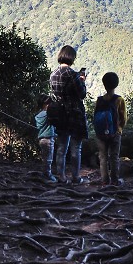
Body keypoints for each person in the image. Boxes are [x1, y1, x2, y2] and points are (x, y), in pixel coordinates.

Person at [50, 45, 88, 184]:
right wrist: (82, 81)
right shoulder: (73, 75)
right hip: (74, 113)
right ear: (72, 58)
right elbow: (82, 94)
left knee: (61, 147)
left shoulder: (53, 74)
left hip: (60, 113)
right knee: (76, 147)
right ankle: (76, 177)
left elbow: (55, 94)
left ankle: (61, 177)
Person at [94, 72, 127, 186]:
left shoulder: (99, 100)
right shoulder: (119, 100)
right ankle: (114, 181)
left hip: (100, 134)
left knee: (103, 158)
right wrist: (119, 129)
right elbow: (124, 118)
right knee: (114, 157)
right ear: (116, 84)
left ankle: (104, 180)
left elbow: (95, 116)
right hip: (114, 133)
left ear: (104, 84)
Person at [34, 94, 57, 183]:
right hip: (48, 139)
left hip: (41, 139)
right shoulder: (48, 114)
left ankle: (46, 174)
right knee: (48, 159)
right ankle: (47, 175)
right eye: (49, 103)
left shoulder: (38, 115)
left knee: (45, 158)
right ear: (46, 104)